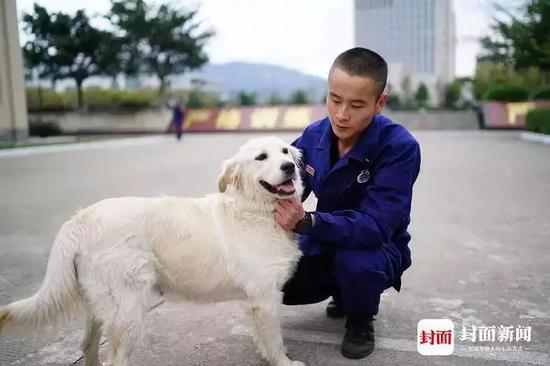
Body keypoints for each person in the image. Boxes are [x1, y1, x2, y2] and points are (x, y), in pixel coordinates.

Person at [274, 47, 421, 360]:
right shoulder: (314, 136)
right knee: (276, 278)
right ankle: (341, 290)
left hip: (375, 246)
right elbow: (286, 187)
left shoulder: (399, 148)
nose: (341, 114)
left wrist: (308, 222)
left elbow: (375, 227)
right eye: (335, 99)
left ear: (380, 103)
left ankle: (360, 318)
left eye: (356, 105)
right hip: (324, 237)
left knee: (357, 265)